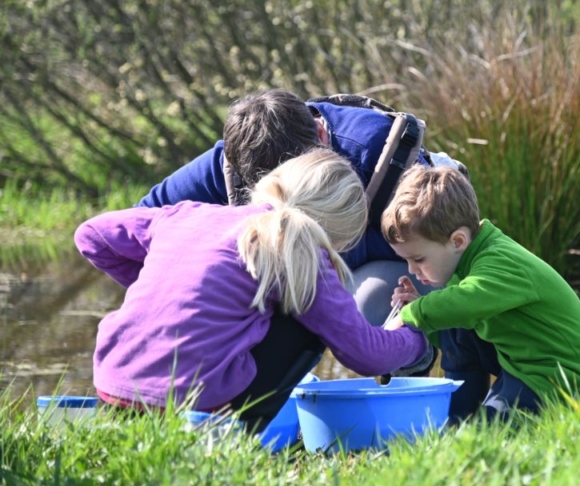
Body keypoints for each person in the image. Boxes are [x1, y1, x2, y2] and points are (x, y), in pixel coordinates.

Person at [75, 149, 431, 431]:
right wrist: (417, 339)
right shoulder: (299, 248)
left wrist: (159, 287)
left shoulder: (188, 213)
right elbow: (365, 354)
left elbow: (90, 234)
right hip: (193, 412)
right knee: (307, 318)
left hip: (112, 391)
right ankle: (241, 433)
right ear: (335, 228)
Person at [136, 88, 440, 326]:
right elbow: (137, 225)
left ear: (321, 136)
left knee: (370, 305)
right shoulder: (233, 160)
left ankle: (410, 389)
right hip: (294, 279)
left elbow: (447, 246)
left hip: (384, 272)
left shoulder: (379, 154)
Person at [380, 165, 580, 421]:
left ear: (458, 241)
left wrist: (412, 313)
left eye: (418, 258)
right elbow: (456, 318)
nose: (412, 269)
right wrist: (422, 309)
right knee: (454, 324)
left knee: (490, 434)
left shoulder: (498, 261)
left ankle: (477, 422)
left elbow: (466, 302)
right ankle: (458, 414)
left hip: (556, 376)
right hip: (520, 361)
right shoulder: (466, 261)